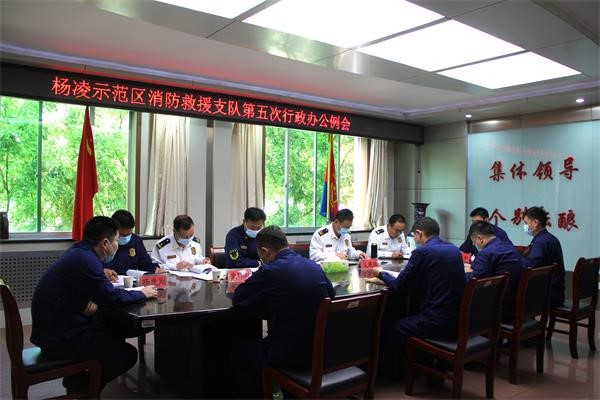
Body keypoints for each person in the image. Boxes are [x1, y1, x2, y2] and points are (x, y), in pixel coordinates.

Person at [30, 216, 157, 394]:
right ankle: (82, 388)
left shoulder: (79, 252)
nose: (118, 244)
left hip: (56, 327)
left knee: (112, 328)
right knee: (126, 354)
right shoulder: (86, 260)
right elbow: (111, 297)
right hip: (60, 337)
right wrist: (142, 293)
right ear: (105, 243)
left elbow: (94, 290)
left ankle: (79, 380)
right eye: (116, 240)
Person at [232, 226, 335, 398]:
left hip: (288, 354)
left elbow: (239, 298)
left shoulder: (270, 270)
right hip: (321, 349)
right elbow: (330, 297)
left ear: (265, 251)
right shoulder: (313, 266)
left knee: (240, 354)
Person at [373, 217, 465, 378]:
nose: (414, 240)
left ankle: (394, 374)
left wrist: (380, 274)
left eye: (414, 236)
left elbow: (399, 286)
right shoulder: (453, 249)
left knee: (392, 328)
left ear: (419, 233)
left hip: (435, 320)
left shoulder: (422, 252)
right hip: (457, 319)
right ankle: (429, 365)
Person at [465, 220, 524, 321]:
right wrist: (472, 267)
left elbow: (475, 281)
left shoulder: (486, 253)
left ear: (480, 239)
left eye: (474, 242)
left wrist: (464, 273)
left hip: (500, 308)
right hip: (517, 303)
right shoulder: (508, 247)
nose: (474, 245)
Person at [523, 206, 566, 308]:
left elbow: (530, 267)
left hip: (548, 295)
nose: (525, 226)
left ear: (535, 223)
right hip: (556, 292)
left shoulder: (541, 242)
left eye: (526, 223)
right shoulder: (548, 238)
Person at [102, 210, 163, 278]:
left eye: (129, 234)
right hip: (107, 280)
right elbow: (95, 266)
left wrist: (155, 269)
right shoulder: (103, 243)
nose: (126, 238)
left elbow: (145, 263)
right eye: (122, 235)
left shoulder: (136, 240)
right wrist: (103, 271)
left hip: (130, 281)